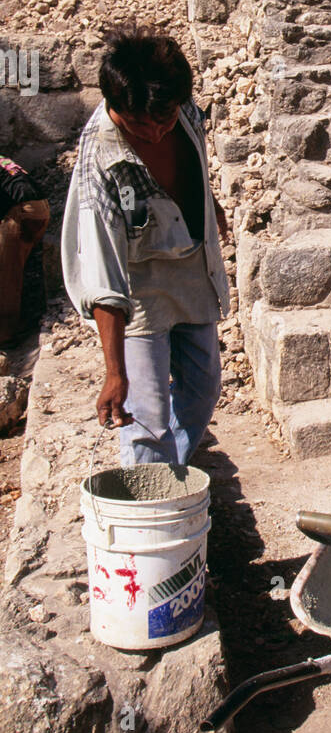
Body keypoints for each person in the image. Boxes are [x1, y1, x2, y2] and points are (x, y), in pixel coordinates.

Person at [61, 31, 230, 464]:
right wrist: (115, 372)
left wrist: (207, 206)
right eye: (139, 125)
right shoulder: (100, 155)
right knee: (146, 415)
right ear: (115, 107)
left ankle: (169, 475)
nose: (155, 134)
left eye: (165, 121)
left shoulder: (180, 106)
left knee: (203, 388)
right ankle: (148, 513)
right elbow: (102, 271)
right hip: (136, 290)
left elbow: (194, 161)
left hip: (191, 269)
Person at [0, 155, 50, 343]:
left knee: (6, 275)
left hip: (23, 210)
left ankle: (5, 335)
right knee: (16, 267)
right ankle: (25, 320)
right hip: (40, 208)